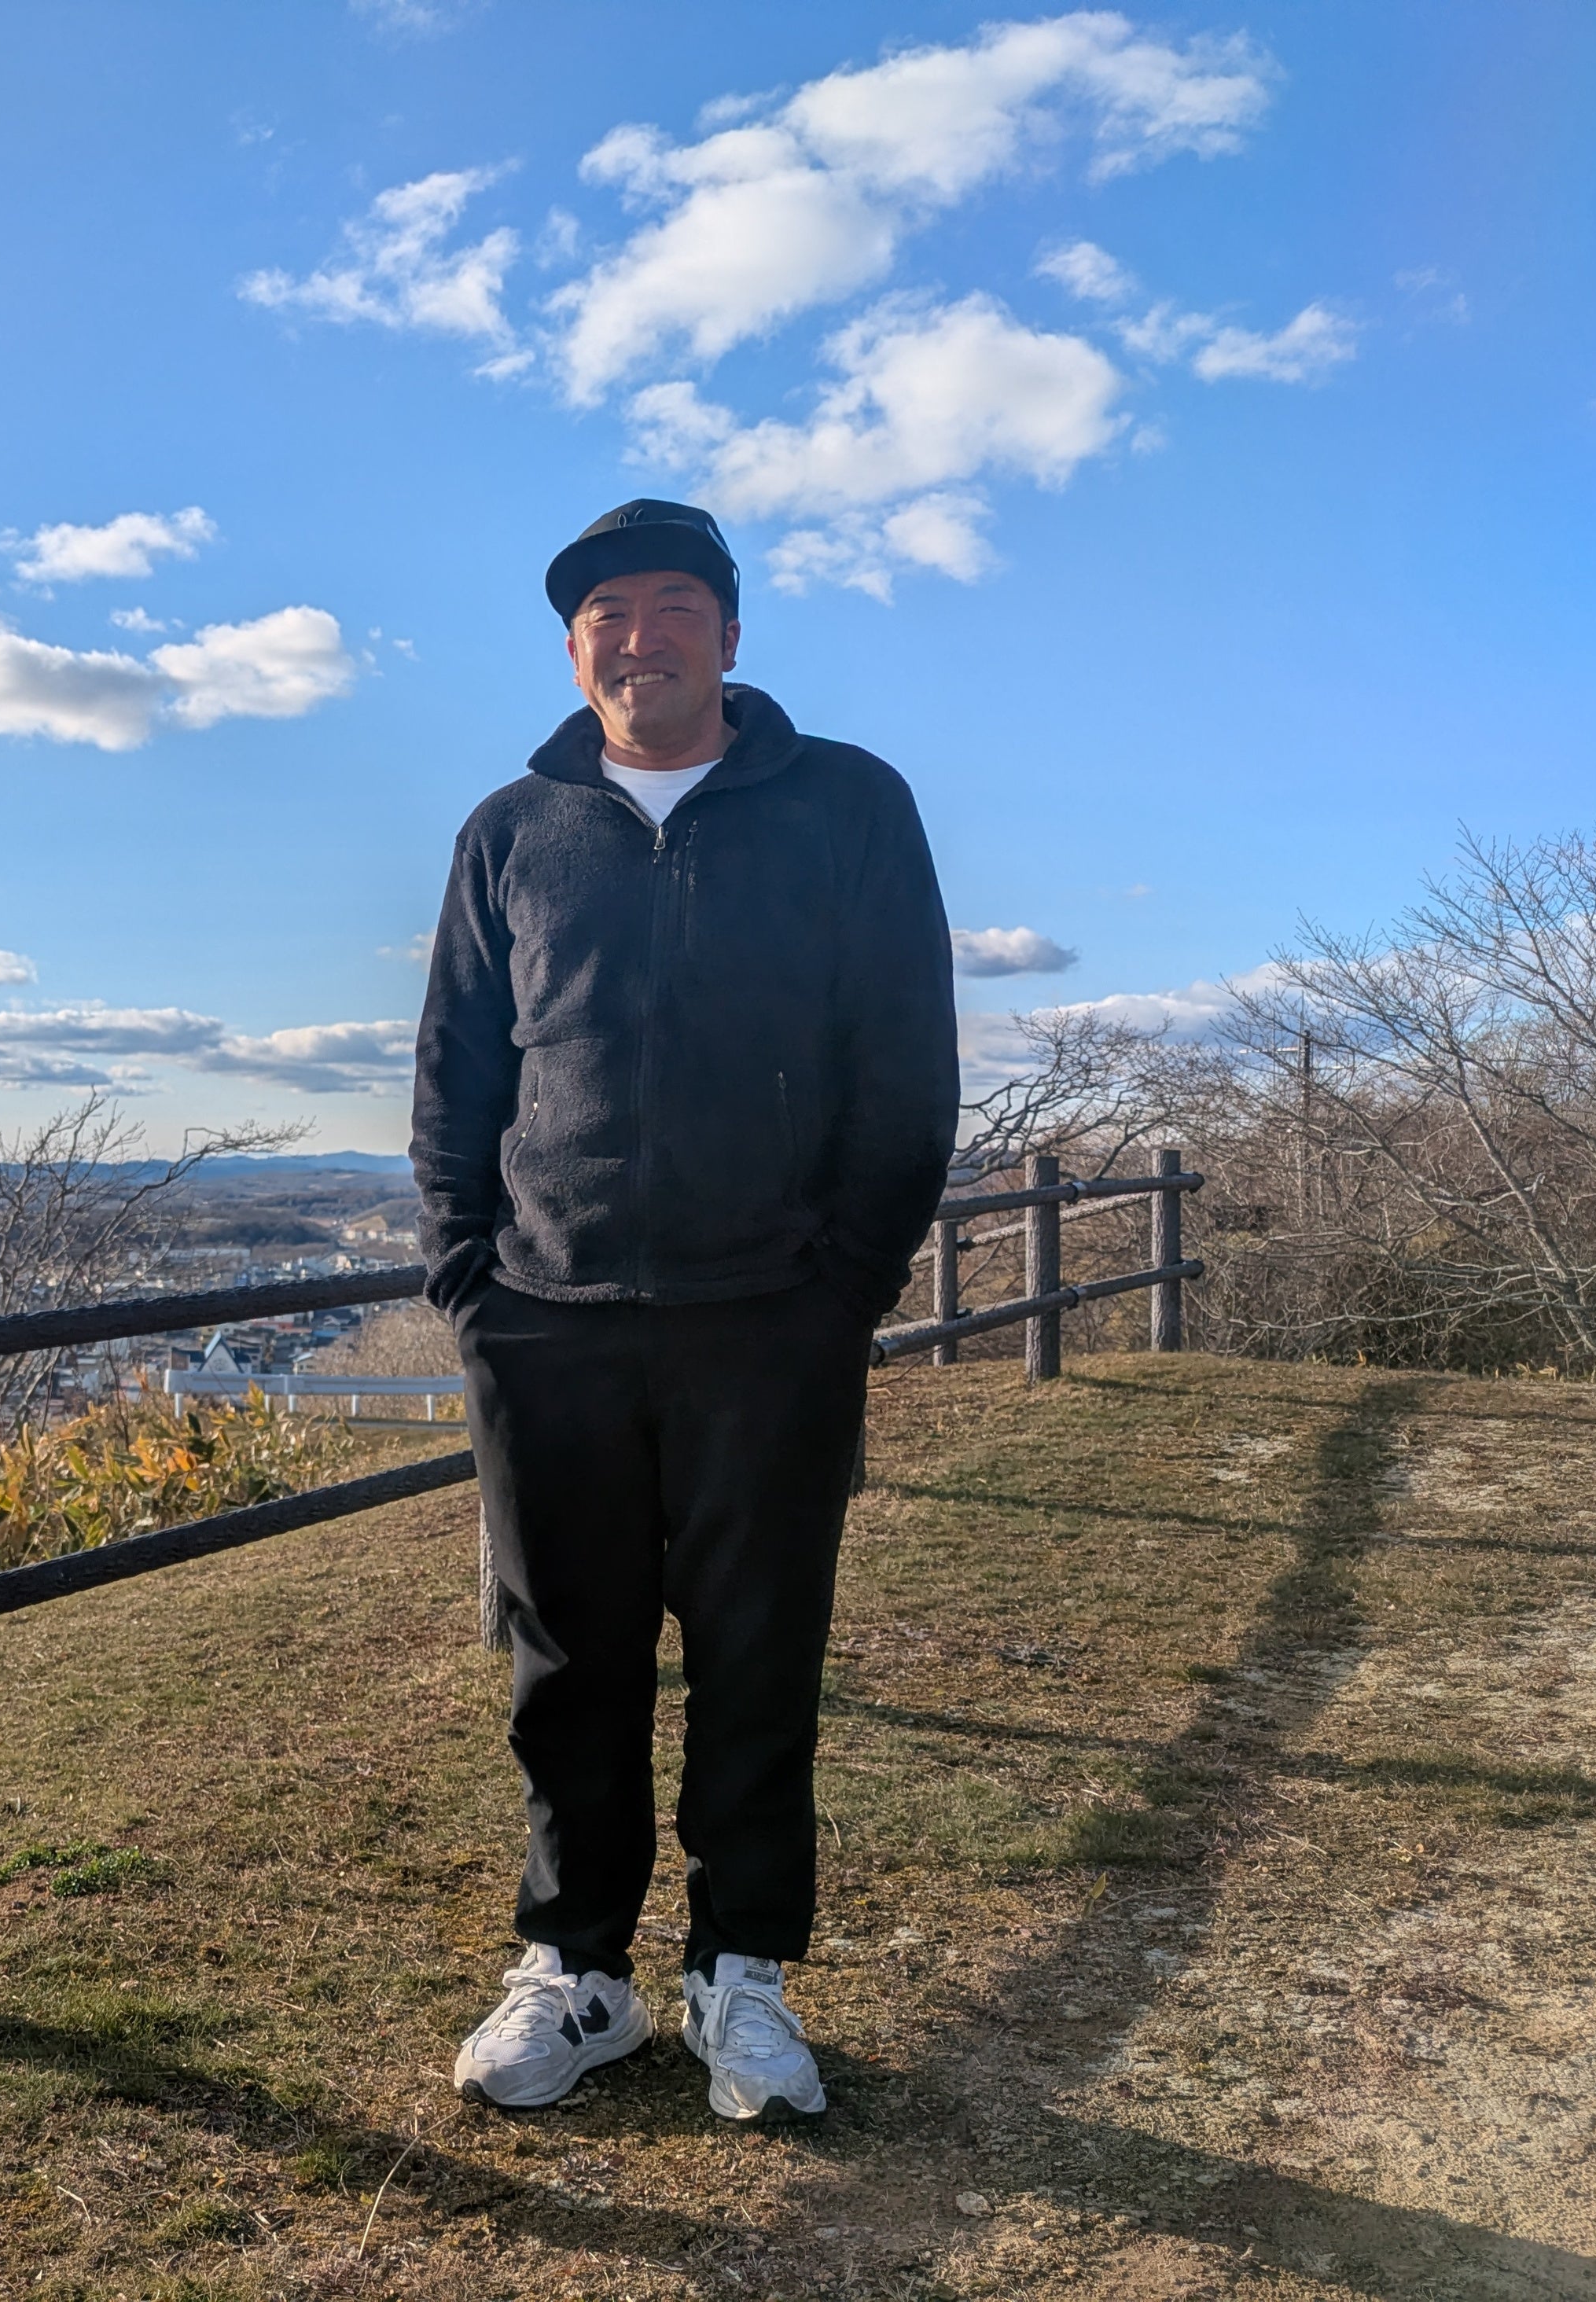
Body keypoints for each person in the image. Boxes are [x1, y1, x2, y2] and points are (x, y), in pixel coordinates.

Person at [409, 498, 957, 2120]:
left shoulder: (848, 804)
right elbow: (456, 1076)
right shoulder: (512, 829)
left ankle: (743, 1973)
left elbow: (904, 1069)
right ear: (573, 650)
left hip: (769, 1319)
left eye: (671, 607)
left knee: (759, 1654)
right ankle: (578, 1970)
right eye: (606, 616)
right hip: (546, 1319)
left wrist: (840, 1290)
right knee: (564, 1664)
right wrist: (470, 1283)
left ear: (728, 632)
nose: (638, 638)